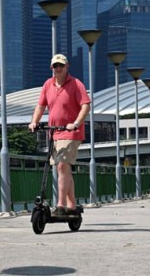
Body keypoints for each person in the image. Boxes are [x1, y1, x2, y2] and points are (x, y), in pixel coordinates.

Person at [29, 54, 90, 216]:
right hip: (54, 133)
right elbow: (41, 106)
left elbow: (85, 106)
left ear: (67, 66)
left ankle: (61, 205)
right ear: (51, 68)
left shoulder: (76, 84)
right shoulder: (48, 84)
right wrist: (34, 121)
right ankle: (72, 204)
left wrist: (76, 123)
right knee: (63, 169)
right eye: (55, 66)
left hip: (71, 132)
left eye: (61, 65)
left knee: (62, 165)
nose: (58, 68)